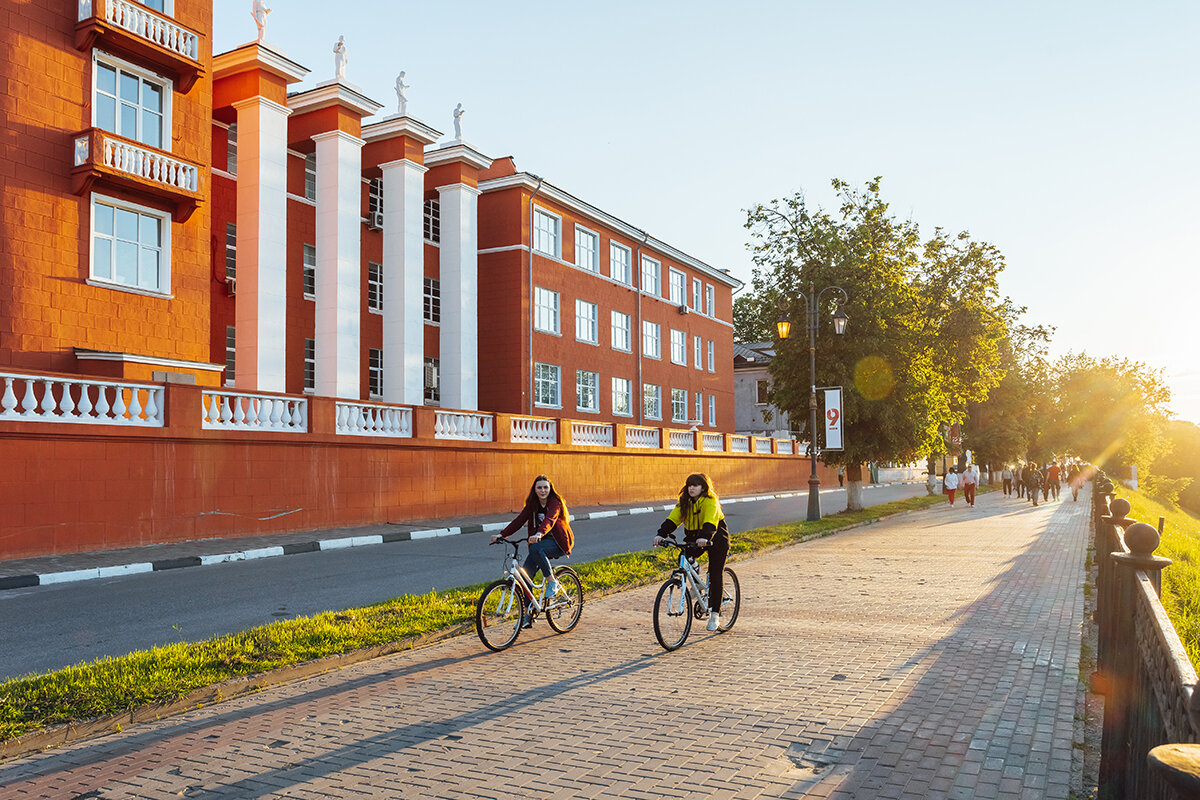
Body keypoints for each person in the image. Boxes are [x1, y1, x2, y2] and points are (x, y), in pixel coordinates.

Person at [492, 476, 575, 625]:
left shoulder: (554, 502)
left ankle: (552, 583)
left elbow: (550, 519)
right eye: (539, 488)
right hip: (539, 545)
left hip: (558, 543)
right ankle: (528, 614)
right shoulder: (533, 505)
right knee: (525, 576)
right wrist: (501, 534)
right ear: (534, 490)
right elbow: (519, 520)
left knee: (535, 547)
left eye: (545, 487)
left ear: (550, 489)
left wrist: (539, 533)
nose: (543, 490)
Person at [653, 473, 730, 632]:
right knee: (683, 557)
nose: (691, 488)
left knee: (715, 574)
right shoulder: (684, 502)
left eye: (695, 485)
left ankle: (714, 615)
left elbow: (710, 521)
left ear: (703, 487)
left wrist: (704, 537)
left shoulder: (710, 501)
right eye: (689, 485)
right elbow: (673, 519)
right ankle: (696, 581)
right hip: (695, 539)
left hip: (716, 538)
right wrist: (661, 534)